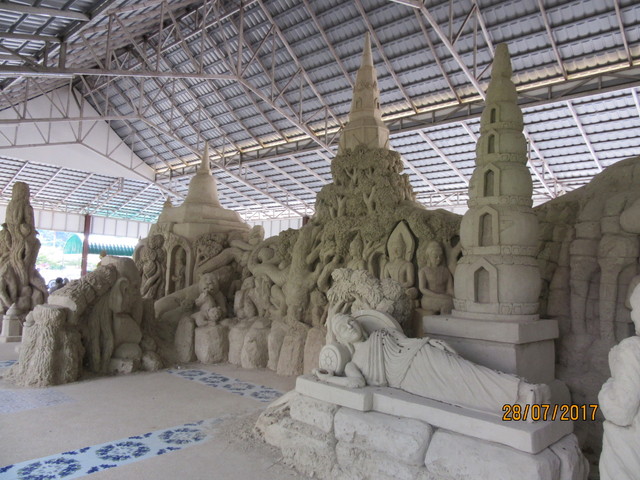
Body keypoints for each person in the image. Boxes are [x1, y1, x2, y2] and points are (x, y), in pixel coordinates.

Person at [315, 313, 549, 415]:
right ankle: (518, 403)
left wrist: (429, 342)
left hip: (421, 355)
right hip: (410, 378)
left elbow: (406, 342)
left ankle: (522, 389)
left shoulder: (380, 334)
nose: (350, 326)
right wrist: (329, 379)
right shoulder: (353, 364)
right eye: (343, 328)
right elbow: (356, 384)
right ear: (342, 339)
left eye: (350, 321)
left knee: (466, 371)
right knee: (460, 391)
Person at [598, 284, 640, 480]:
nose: (632, 315)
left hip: (631, 457)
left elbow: (619, 411)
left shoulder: (632, 349)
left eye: (635, 308)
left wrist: (612, 377)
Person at [418, 241, 454, 315]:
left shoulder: (445, 271)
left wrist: (453, 296)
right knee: (445, 304)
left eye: (440, 256)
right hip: (429, 298)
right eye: (435, 256)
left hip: (444, 297)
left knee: (452, 302)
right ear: (429, 256)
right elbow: (422, 289)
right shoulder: (423, 271)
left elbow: (450, 288)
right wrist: (437, 295)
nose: (438, 259)